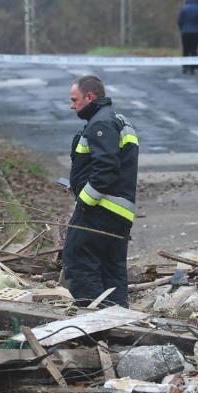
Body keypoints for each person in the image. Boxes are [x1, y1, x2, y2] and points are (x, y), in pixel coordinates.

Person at [63, 75, 139, 308]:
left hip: (100, 209)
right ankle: (120, 324)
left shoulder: (101, 124)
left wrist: (84, 202)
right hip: (120, 212)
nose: (71, 105)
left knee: (79, 260)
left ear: (90, 96)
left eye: (74, 99)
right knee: (111, 268)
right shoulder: (116, 119)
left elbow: (105, 168)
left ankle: (95, 323)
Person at [178, 0, 198, 74]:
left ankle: (185, 67)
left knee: (185, 49)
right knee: (193, 49)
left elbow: (180, 21)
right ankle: (193, 67)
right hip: (197, 32)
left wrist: (182, 29)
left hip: (186, 32)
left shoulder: (184, 8)